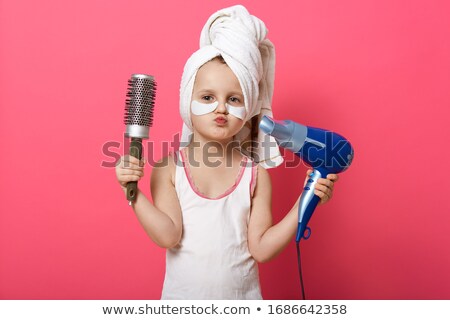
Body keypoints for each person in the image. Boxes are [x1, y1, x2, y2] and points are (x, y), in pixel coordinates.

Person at [115, 5, 339, 299]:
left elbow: (261, 248)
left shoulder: (255, 173)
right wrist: (133, 193)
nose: (221, 108)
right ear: (187, 102)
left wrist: (306, 199)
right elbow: (168, 235)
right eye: (207, 97)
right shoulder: (168, 168)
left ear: (247, 109)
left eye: (233, 99)